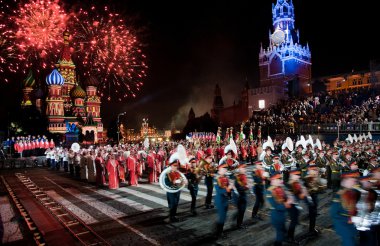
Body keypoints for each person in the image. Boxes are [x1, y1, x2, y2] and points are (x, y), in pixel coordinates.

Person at [330, 171, 361, 246]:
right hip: (344, 226)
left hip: (351, 225)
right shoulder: (339, 195)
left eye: (354, 180)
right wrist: (349, 219)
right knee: (349, 243)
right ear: (345, 181)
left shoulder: (354, 192)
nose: (354, 182)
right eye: (352, 180)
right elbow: (334, 213)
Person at [267, 171, 292, 246]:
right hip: (276, 215)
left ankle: (283, 240)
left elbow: (285, 197)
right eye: (278, 179)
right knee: (280, 233)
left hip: (282, 215)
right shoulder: (269, 191)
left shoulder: (280, 188)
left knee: (283, 230)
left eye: (280, 179)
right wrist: (286, 204)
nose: (280, 181)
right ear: (273, 180)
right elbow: (276, 206)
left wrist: (288, 198)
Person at [165, 153, 186, 223]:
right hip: (171, 191)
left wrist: (184, 182)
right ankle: (171, 217)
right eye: (174, 166)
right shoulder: (167, 173)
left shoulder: (178, 173)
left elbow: (181, 180)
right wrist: (172, 183)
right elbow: (166, 183)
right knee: (172, 204)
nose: (176, 167)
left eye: (176, 166)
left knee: (176, 203)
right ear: (171, 166)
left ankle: (173, 215)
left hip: (177, 190)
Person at [214, 163, 233, 239]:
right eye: (223, 169)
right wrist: (228, 189)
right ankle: (218, 233)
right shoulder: (216, 179)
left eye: (225, 169)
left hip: (225, 200)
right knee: (222, 217)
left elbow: (228, 188)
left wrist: (231, 188)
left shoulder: (226, 178)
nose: (225, 170)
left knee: (224, 217)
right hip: (220, 200)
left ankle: (219, 230)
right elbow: (219, 190)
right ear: (219, 170)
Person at [233, 163, 249, 229]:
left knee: (242, 210)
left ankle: (239, 222)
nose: (245, 169)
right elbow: (239, 188)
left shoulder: (243, 175)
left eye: (245, 168)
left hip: (243, 195)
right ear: (239, 169)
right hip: (239, 196)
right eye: (243, 168)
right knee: (241, 210)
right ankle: (239, 224)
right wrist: (247, 187)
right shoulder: (238, 177)